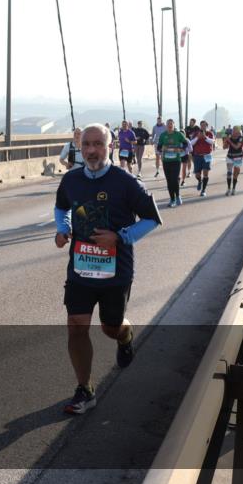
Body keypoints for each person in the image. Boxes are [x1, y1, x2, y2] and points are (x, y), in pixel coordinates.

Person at [54, 124, 162, 414]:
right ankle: (85, 389)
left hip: (116, 272)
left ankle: (125, 335)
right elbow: (62, 207)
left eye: (98, 144)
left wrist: (121, 237)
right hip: (80, 269)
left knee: (109, 328)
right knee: (76, 326)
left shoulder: (126, 182)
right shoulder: (71, 180)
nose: (91, 150)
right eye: (86, 144)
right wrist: (63, 230)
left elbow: (152, 219)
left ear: (110, 146)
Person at [156, 119, 189, 208]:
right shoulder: (163, 135)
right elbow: (159, 147)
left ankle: (177, 196)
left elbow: (185, 144)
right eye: (168, 124)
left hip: (176, 160)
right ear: (166, 126)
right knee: (169, 181)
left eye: (171, 124)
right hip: (166, 161)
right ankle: (172, 199)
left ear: (174, 125)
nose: (170, 125)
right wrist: (162, 148)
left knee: (174, 179)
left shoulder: (178, 134)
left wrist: (181, 149)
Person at [189, 119, 215, 197]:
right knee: (197, 174)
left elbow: (212, 142)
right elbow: (191, 143)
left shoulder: (209, 133)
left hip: (207, 155)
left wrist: (205, 137)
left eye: (204, 125)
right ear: (200, 126)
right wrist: (198, 137)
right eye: (202, 125)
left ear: (207, 126)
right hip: (197, 156)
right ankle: (200, 181)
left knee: (205, 172)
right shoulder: (196, 133)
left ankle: (203, 190)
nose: (203, 127)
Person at [224, 126, 243, 195]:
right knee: (229, 173)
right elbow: (224, 147)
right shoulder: (230, 138)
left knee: (235, 174)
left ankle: (233, 188)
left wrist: (229, 141)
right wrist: (226, 141)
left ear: (238, 131)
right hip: (230, 156)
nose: (233, 131)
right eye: (233, 130)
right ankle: (228, 189)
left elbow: (237, 147)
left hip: (238, 157)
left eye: (235, 130)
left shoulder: (241, 138)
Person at [181, 118, 198, 187]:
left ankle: (191, 170)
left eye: (192, 122)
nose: (190, 123)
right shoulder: (187, 128)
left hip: (192, 145)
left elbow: (199, 134)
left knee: (191, 159)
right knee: (189, 160)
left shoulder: (197, 128)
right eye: (190, 122)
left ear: (194, 122)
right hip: (187, 146)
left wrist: (185, 149)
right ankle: (187, 173)